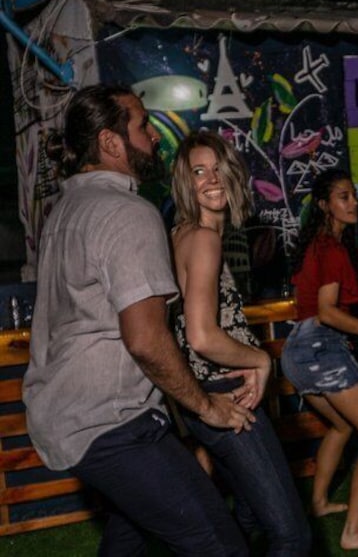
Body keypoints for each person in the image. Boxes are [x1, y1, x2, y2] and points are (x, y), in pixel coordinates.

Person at [23, 84, 253, 556]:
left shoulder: (67, 210)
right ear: (111, 142)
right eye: (143, 125)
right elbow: (146, 340)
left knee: (130, 537)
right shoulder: (127, 212)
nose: (154, 135)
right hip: (112, 423)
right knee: (224, 546)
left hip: (65, 415)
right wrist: (206, 407)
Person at [170, 130, 311, 556]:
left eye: (219, 168)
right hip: (227, 397)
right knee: (292, 536)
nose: (212, 179)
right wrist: (261, 360)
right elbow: (201, 335)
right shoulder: (205, 239)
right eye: (199, 171)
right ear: (184, 182)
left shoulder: (182, 234)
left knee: (248, 516)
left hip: (204, 397)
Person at [280, 169, 358, 551]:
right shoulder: (330, 248)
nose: (353, 204)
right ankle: (354, 532)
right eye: (343, 197)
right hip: (320, 346)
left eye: (353, 196)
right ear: (324, 205)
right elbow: (328, 313)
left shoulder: (318, 244)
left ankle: (317, 502)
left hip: (296, 352)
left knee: (340, 428)